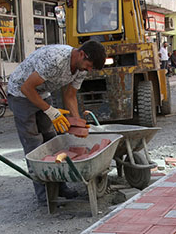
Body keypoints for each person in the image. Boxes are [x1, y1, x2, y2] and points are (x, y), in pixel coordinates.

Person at [6, 40, 107, 206]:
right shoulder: (55, 59)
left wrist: (77, 124)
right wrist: (50, 111)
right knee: (34, 143)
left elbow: (70, 96)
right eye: (89, 65)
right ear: (82, 54)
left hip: (42, 92)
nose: (88, 70)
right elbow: (26, 88)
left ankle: (60, 187)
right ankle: (44, 195)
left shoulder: (81, 69)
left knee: (51, 141)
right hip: (20, 94)